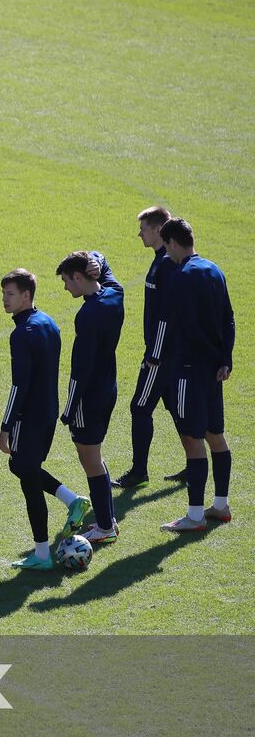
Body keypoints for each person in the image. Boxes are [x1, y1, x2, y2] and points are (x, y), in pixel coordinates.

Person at [0, 270, 90, 571]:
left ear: (26, 295)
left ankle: (41, 554)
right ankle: (72, 500)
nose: (4, 299)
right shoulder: (48, 323)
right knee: (23, 467)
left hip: (29, 416)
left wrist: (6, 426)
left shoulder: (21, 334)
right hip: (48, 411)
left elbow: (18, 386)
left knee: (27, 477)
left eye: (10, 294)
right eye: (4, 294)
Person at [156, 219, 235, 532]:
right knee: (215, 435)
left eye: (166, 247)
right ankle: (221, 505)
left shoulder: (181, 276)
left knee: (192, 439)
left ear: (174, 242)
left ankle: (195, 515)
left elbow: (187, 327)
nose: (166, 254)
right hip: (214, 371)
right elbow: (229, 318)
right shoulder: (214, 269)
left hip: (190, 369)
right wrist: (224, 358)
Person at [56, 251, 125, 544]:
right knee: (95, 456)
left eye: (67, 281)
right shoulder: (114, 295)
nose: (65, 288)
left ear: (80, 277)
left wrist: (69, 410)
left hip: (89, 397)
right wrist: (98, 260)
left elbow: (80, 370)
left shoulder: (86, 315)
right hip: (108, 388)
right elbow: (105, 267)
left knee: (90, 459)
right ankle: (107, 519)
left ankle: (106, 526)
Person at [113, 206, 185, 487]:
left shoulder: (166, 263)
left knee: (139, 407)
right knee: (178, 411)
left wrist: (154, 353)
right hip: (167, 351)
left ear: (157, 230)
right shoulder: (162, 260)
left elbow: (167, 314)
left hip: (161, 354)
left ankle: (139, 471)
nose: (139, 233)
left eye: (143, 228)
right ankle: (194, 465)